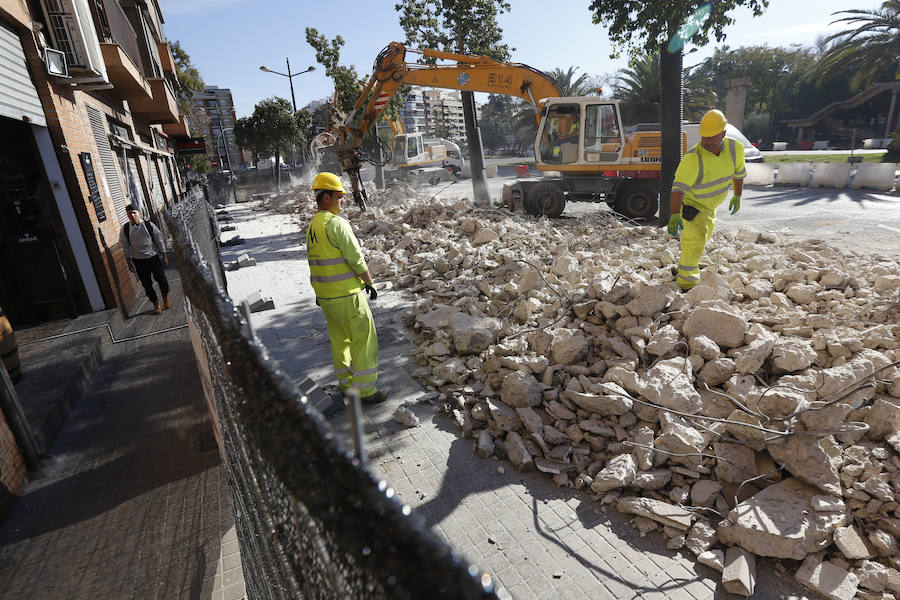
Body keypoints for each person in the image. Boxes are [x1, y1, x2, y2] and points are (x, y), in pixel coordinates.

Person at [306, 172, 387, 405]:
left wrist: (318, 293)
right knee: (364, 341)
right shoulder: (337, 224)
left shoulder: (312, 226)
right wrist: (369, 282)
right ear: (327, 197)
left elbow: (315, 262)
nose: (343, 200)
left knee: (340, 343)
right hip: (348, 296)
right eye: (340, 195)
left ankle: (346, 386)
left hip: (326, 298)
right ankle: (365, 392)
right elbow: (356, 259)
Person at [667, 109, 746, 291]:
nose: (707, 141)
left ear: (723, 134)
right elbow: (678, 189)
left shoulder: (735, 149)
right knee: (694, 242)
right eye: (704, 137)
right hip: (692, 207)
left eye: (712, 137)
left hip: (711, 208)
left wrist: (737, 195)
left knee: (702, 239)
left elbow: (739, 173)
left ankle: (683, 269)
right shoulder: (693, 158)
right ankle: (687, 285)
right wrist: (673, 215)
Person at [120, 203, 169, 314]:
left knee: (162, 280)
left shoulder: (149, 225)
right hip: (139, 261)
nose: (132, 215)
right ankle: (156, 303)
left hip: (153, 257)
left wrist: (164, 256)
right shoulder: (125, 229)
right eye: (129, 214)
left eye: (134, 212)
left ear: (139, 213)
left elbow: (159, 240)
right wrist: (128, 262)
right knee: (146, 284)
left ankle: (165, 297)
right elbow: (125, 246)